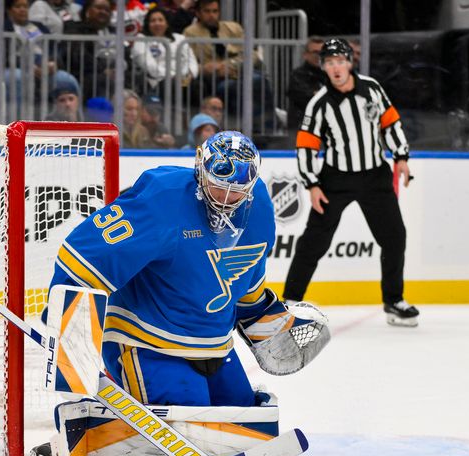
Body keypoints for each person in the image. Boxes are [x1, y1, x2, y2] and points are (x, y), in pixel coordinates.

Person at [47, 131, 291, 406]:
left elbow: (249, 269)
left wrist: (259, 311)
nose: (226, 198)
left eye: (236, 191)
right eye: (219, 186)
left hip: (215, 344)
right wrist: (68, 324)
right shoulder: (163, 199)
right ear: (200, 169)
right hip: (145, 339)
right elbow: (83, 256)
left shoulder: (259, 205)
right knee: (191, 424)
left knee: (247, 422)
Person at [284, 38, 420, 327]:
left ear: (349, 63)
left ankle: (394, 301)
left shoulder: (371, 89)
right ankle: (291, 301)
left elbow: (390, 123)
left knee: (395, 237)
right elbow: (306, 145)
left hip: (375, 176)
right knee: (314, 241)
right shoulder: (318, 103)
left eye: (339, 61)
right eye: (329, 62)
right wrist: (312, 184)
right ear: (323, 67)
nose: (335, 68)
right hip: (336, 179)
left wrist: (401, 157)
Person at [4, 0, 80, 114]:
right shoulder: (4, 27)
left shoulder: (38, 26)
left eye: (25, 6)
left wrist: (53, 62)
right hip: (17, 66)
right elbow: (2, 55)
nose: (22, 10)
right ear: (9, 10)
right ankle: (18, 125)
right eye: (17, 6)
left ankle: (77, 122)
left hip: (44, 64)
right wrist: (28, 66)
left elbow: (53, 47)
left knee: (66, 79)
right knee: (17, 78)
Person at [130, 7, 198, 96]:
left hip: (184, 79)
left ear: (167, 23)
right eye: (153, 21)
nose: (157, 23)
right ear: (148, 24)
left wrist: (189, 74)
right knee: (171, 85)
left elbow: (191, 60)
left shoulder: (180, 38)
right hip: (158, 81)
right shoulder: (141, 39)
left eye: (160, 20)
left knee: (199, 86)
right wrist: (173, 76)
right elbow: (148, 65)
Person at [60, 0, 116, 101]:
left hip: (109, 74)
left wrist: (118, 69)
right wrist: (102, 70)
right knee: (101, 80)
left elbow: (125, 54)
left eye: (107, 10)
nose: (103, 12)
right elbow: (78, 54)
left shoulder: (114, 32)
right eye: (99, 8)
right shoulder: (74, 28)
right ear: (88, 10)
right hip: (83, 74)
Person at [286, 36, 325, 130]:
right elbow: (308, 98)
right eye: (315, 52)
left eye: (321, 53)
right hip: (301, 127)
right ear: (305, 55)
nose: (318, 56)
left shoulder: (329, 74)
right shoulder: (298, 75)